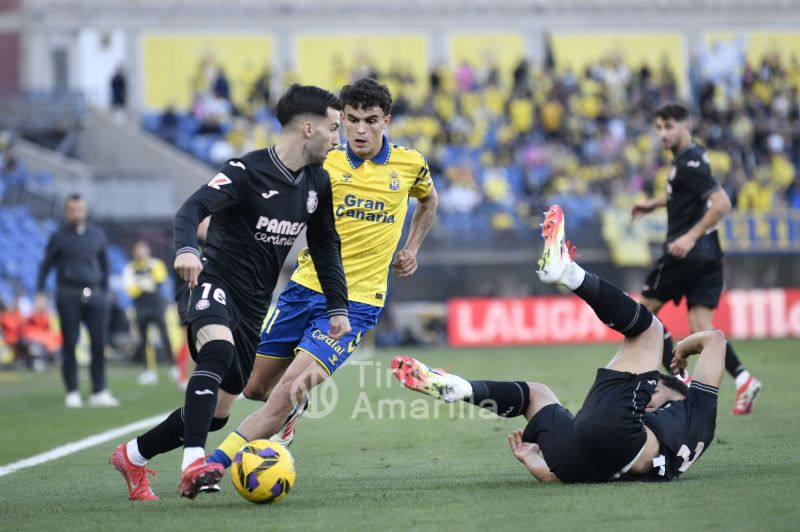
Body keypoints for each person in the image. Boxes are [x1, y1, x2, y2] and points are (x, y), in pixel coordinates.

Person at [110, 84, 351, 501]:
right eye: (333, 128)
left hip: (253, 310)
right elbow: (191, 210)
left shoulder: (318, 184)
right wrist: (187, 249)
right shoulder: (246, 170)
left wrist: (338, 305)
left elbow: (326, 246)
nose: (338, 139)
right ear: (308, 128)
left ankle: (132, 455)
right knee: (216, 352)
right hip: (210, 284)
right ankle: (193, 464)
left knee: (218, 414)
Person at [203, 77, 438, 479]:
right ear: (341, 120)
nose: (361, 129)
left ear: (388, 120)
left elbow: (428, 199)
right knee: (254, 389)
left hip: (356, 304)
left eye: (371, 120)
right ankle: (292, 413)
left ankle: (213, 465)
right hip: (304, 288)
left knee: (285, 391)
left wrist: (412, 247)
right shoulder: (324, 161)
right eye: (351, 120)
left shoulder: (410, 164)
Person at [393, 205, 723, 483]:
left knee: (650, 329)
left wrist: (680, 350)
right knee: (535, 395)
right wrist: (536, 464)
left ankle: (567, 271)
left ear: (680, 389)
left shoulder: (691, 406)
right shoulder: (697, 422)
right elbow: (563, 475)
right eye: (653, 393)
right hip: (585, 462)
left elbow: (713, 339)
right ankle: (462, 388)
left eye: (654, 392)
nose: (648, 397)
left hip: (618, 437)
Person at [631, 102, 761, 415]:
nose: (663, 133)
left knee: (641, 313)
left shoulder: (688, 162)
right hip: (710, 255)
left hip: (684, 254)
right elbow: (687, 192)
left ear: (685, 126)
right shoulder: (695, 156)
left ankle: (680, 377)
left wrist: (689, 237)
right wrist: (655, 204)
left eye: (669, 127)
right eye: (659, 127)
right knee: (702, 325)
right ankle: (744, 379)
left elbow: (721, 202)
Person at [36, 194, 118, 408]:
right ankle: (72, 391)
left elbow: (105, 266)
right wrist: (41, 293)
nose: (76, 212)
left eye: (79, 208)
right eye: (72, 209)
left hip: (95, 294)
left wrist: (105, 292)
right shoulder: (59, 236)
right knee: (70, 343)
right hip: (68, 293)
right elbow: (45, 266)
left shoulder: (97, 234)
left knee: (99, 342)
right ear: (66, 211)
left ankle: (99, 390)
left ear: (85, 209)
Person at [122, 241, 173, 385]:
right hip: (141, 306)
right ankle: (148, 370)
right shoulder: (129, 268)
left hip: (156, 304)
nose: (141, 253)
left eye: (143, 250)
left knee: (164, 335)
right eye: (138, 250)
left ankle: (172, 367)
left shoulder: (156, 264)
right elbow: (131, 290)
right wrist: (144, 285)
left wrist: (143, 284)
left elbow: (159, 280)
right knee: (143, 339)